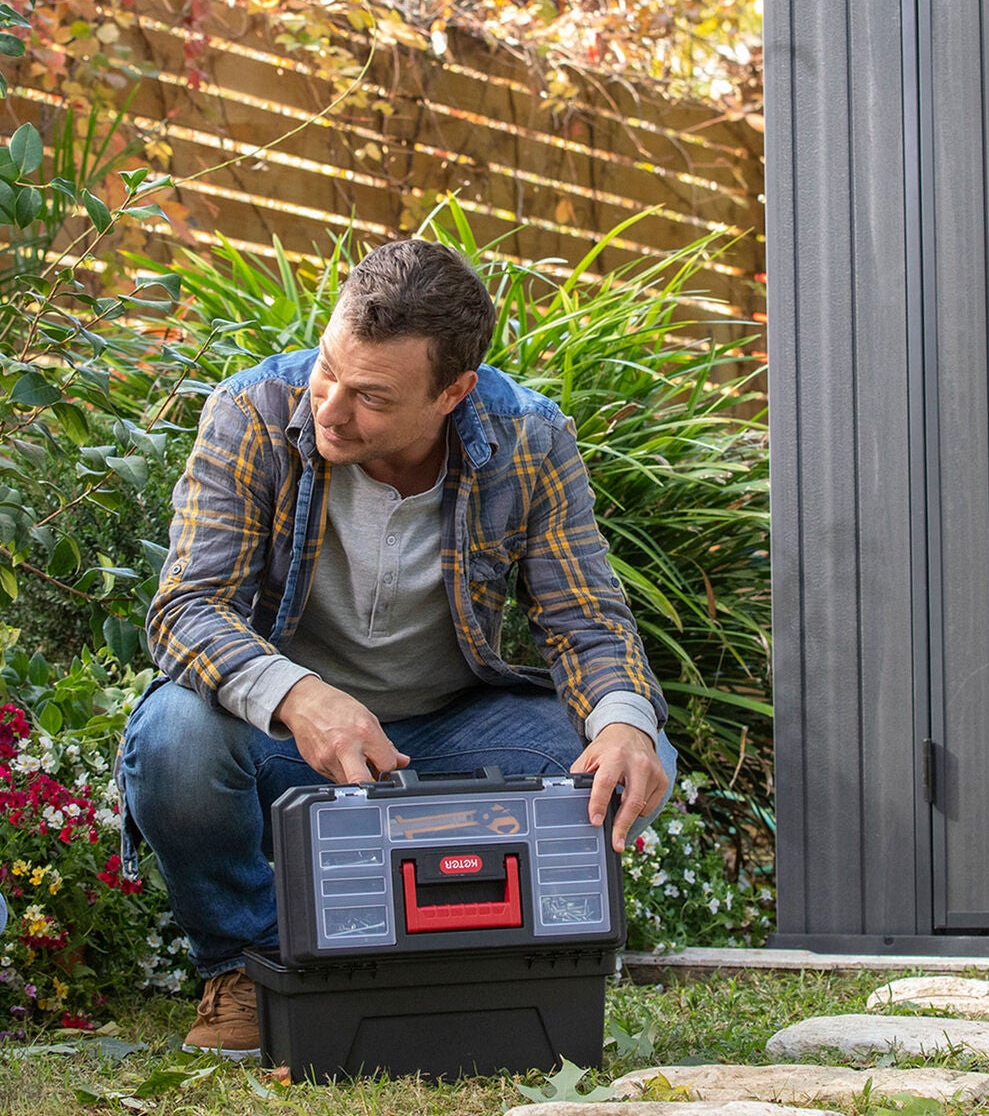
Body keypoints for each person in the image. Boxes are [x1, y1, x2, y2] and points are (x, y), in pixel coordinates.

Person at [118, 239, 674, 1055]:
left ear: (453, 392)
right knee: (173, 740)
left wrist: (625, 723)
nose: (332, 409)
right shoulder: (255, 412)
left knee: (602, 748)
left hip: (449, 735)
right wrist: (300, 696)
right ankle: (243, 964)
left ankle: (484, 968)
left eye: (371, 396)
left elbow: (586, 621)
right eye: (328, 370)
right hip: (281, 741)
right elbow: (186, 609)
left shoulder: (530, 439)